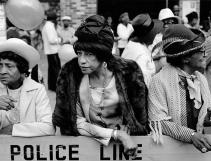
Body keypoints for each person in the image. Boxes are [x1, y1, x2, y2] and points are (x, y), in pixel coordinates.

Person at [52, 15, 148, 157]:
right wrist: (117, 134)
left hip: (125, 150)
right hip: (87, 150)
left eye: (89, 54)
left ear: (103, 55)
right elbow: (76, 123)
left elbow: (140, 118)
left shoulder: (128, 72)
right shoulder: (71, 76)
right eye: (79, 53)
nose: (81, 61)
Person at [148, 26, 211, 153]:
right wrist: (191, 135)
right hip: (169, 154)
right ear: (185, 58)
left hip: (197, 154)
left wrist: (207, 120)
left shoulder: (201, 79)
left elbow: (204, 118)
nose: (205, 54)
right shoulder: (159, 81)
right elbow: (157, 122)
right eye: (200, 51)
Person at [0, 38, 55, 136]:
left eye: (9, 66)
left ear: (22, 69)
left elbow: (49, 127)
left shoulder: (37, 89)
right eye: (0, 66)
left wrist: (12, 130)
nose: (2, 72)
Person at [122, 13, 164, 87]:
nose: (154, 36)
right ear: (147, 35)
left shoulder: (133, 43)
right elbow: (143, 84)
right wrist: (162, 62)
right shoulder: (141, 54)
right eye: (153, 33)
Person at [41, 10, 61, 91]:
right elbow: (52, 40)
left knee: (52, 71)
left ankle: (52, 87)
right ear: (54, 19)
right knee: (56, 71)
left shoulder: (47, 25)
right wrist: (60, 39)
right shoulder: (50, 26)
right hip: (53, 51)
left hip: (50, 51)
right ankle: (57, 88)